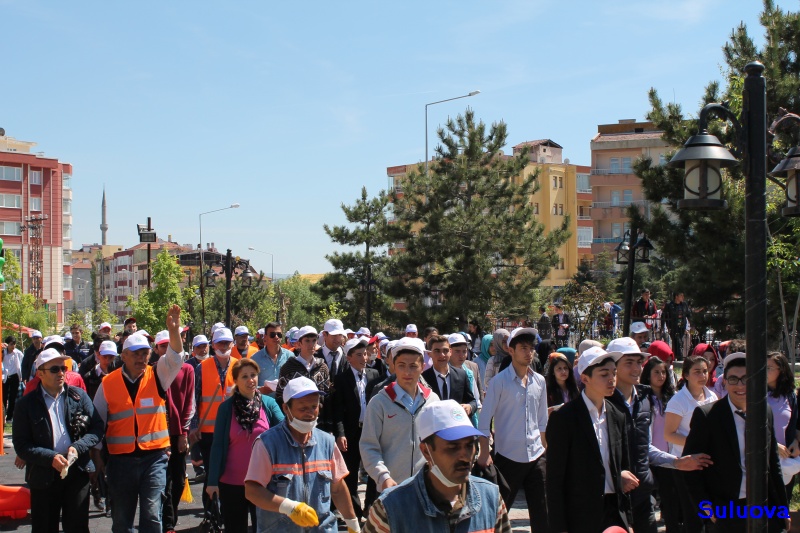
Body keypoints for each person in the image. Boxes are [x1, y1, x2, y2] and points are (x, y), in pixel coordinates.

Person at [92, 305, 185, 533]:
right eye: (136, 354)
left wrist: (173, 330)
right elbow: (97, 423)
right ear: (123, 356)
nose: (142, 358)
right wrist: (96, 456)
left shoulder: (158, 374)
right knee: (122, 521)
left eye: (145, 353)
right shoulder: (108, 384)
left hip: (154, 459)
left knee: (153, 516)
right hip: (120, 462)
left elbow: (176, 358)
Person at [606, 337, 712, 533]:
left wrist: (676, 462)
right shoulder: (603, 403)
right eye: (628, 363)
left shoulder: (644, 401)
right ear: (613, 366)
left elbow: (644, 446)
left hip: (642, 493)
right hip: (612, 498)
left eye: (639, 362)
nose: (636, 368)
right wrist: (616, 474)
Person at [364, 399, 510, 533]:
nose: (465, 455)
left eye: (469, 445)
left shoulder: (491, 498)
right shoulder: (390, 508)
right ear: (426, 452)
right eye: (453, 447)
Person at [683, 352, 790, 532]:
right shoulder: (708, 416)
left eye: (745, 379)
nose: (740, 385)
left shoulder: (765, 411)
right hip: (726, 508)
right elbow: (691, 466)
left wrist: (783, 509)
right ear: (724, 381)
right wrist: (705, 507)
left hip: (763, 504)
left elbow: (773, 463)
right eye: (733, 379)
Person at [245, 376, 360, 532]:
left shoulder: (327, 442)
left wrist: (352, 522)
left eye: (314, 406)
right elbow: (252, 491)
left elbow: (338, 488)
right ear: (286, 409)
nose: (310, 413)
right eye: (303, 408)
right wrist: (289, 507)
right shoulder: (267, 444)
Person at [12, 347, 104, 533]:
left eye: (64, 368)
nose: (61, 373)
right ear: (40, 373)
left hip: (77, 471)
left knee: (77, 527)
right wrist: (50, 457)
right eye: (55, 369)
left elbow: (97, 428)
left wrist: (78, 447)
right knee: (44, 527)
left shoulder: (79, 396)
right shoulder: (25, 405)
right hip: (43, 475)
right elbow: (22, 445)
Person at [546, 346, 636, 533]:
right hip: (581, 513)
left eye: (613, 373)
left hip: (614, 512)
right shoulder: (565, 418)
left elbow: (623, 465)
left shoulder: (617, 415)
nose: (611, 379)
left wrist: (628, 520)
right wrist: (559, 527)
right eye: (604, 374)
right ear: (585, 378)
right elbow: (555, 479)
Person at [477, 327, 548, 531]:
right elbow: (484, 419)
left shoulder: (540, 381)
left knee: (542, 511)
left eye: (531, 348)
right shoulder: (499, 382)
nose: (528, 353)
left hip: (536, 455)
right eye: (523, 348)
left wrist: (544, 447)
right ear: (511, 350)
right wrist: (484, 453)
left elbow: (542, 418)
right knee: (499, 511)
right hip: (508, 455)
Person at [206, 358, 284, 532]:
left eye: (253, 375)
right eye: (245, 376)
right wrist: (212, 481)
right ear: (236, 380)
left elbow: (285, 430)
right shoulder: (226, 408)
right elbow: (217, 445)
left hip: (263, 482)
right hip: (232, 483)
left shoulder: (268, 404)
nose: (250, 380)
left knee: (264, 528)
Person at [361, 337, 440, 498]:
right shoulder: (379, 402)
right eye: (401, 366)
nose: (407, 372)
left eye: (413, 366)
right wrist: (383, 477)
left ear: (423, 367)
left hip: (426, 488)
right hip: (390, 489)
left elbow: (439, 444)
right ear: (393, 366)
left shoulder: (433, 401)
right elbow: (369, 446)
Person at [664, 354, 717, 532]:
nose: (702, 376)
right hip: (685, 463)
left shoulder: (712, 397)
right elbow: (669, 434)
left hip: (708, 462)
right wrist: (696, 443)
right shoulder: (678, 401)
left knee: (711, 512)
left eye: (705, 371)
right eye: (697, 372)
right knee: (693, 514)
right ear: (686, 375)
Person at [331, 337, 381, 520]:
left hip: (371, 430)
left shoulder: (374, 375)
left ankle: (370, 507)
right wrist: (340, 434)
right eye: (359, 355)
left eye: (366, 354)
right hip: (352, 431)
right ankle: (354, 512)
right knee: (350, 473)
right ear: (349, 358)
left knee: (374, 470)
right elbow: (338, 409)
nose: (364, 358)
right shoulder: (341, 379)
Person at [190, 326, 237, 518]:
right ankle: (211, 515)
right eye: (220, 342)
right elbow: (194, 398)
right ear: (213, 344)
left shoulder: (240, 365)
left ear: (232, 344)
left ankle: (227, 513)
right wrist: (193, 426)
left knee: (231, 474)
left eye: (227, 342)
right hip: (208, 431)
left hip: (233, 430)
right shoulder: (202, 368)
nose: (224, 346)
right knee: (211, 473)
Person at [157, 329, 196, 533]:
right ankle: (168, 524)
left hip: (178, 433)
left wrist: (183, 433)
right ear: (156, 349)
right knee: (165, 480)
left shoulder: (187, 370)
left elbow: (190, 401)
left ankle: (169, 517)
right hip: (159, 435)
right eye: (163, 346)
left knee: (179, 479)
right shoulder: (154, 371)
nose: (166, 350)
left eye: (169, 345)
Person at [640, 354, 681, 533]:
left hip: (668, 456)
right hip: (649, 456)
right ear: (648, 375)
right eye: (656, 372)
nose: (661, 376)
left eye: (663, 372)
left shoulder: (672, 397)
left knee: (670, 500)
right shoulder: (642, 397)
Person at [766, 352, 800, 500]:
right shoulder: (753, 394)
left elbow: (795, 423)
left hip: (785, 460)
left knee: (783, 502)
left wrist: (796, 442)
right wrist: (774, 445)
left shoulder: (789, 395)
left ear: (781, 370)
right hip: (763, 458)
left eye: (769, 368)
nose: (764, 371)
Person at [276, 325, 332, 407]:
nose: (311, 344)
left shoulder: (322, 367)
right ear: (299, 343)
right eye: (307, 341)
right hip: (295, 416)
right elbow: (280, 396)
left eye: (314, 340)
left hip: (318, 416)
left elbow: (327, 395)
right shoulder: (288, 368)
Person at [422, 335, 477, 416]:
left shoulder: (461, 375)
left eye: (445, 350)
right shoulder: (423, 378)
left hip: (456, 424)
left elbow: (472, 401)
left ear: (450, 352)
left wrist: (469, 407)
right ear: (429, 354)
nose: (442, 355)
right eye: (437, 351)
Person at [447, 333, 483, 423]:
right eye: (457, 351)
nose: (462, 355)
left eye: (464, 351)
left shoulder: (470, 371)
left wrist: (470, 407)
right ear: (449, 351)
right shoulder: (443, 373)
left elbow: (476, 400)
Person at [251, 321, 293, 397]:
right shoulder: (255, 358)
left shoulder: (290, 356)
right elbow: (250, 383)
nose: (276, 337)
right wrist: (260, 389)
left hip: (284, 403)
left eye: (279, 334)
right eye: (272, 334)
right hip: (263, 403)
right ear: (265, 337)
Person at [662, 292, 691, 361]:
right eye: (681, 295)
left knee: (678, 343)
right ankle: (680, 359)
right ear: (676, 296)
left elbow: (688, 314)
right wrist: (664, 327)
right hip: (673, 327)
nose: (683, 297)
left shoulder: (684, 305)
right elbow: (664, 316)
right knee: (678, 342)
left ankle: (674, 357)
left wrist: (692, 324)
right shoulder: (669, 305)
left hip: (682, 327)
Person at [2, 336, 23, 422]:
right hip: (5, 376)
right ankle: (3, 415)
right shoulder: (3, 353)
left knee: (13, 397)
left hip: (15, 376)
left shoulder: (18, 353)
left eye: (14, 344)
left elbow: (22, 363)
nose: (13, 346)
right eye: (11, 344)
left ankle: (10, 417)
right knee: (4, 396)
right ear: (7, 345)